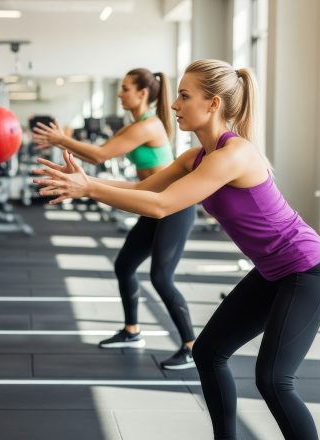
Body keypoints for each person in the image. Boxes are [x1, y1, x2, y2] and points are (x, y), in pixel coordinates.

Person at [34, 59, 320, 440]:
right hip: (272, 271)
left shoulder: (234, 154)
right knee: (208, 353)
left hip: (307, 269)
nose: (174, 105)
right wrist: (85, 181)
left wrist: (90, 190)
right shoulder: (195, 158)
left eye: (183, 96)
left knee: (274, 380)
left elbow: (163, 206)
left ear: (213, 104)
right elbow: (147, 190)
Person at [32, 69, 197, 370]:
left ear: (142, 94)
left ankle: (191, 346)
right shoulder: (133, 125)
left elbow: (99, 156)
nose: (120, 94)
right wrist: (63, 143)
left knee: (161, 277)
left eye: (124, 88)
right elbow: (98, 154)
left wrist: (60, 139)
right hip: (150, 202)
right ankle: (132, 331)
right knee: (125, 265)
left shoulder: (149, 125)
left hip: (174, 205)